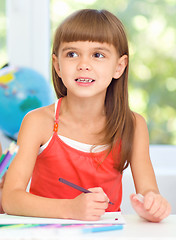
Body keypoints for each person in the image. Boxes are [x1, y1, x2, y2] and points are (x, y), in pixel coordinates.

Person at [2, 9, 171, 222]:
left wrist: (152, 205)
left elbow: (148, 191)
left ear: (119, 66)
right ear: (57, 65)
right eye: (72, 54)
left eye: (98, 55)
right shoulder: (38, 122)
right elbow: (10, 199)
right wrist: (71, 209)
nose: (83, 65)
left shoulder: (133, 125)